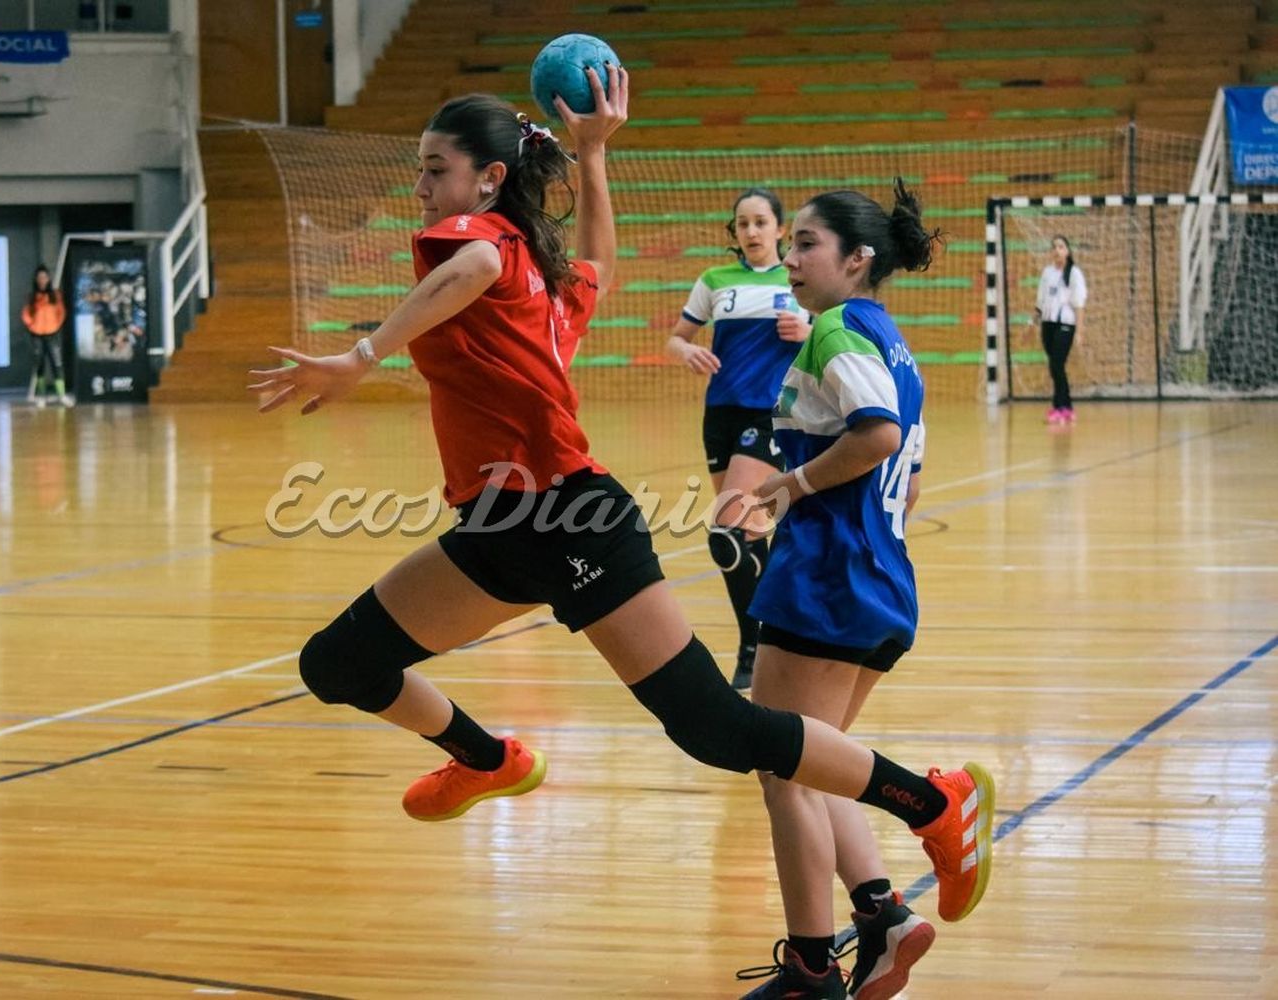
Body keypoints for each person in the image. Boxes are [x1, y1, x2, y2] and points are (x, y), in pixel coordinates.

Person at [246, 74, 993, 988]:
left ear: (486, 182)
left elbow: (471, 266)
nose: (422, 188)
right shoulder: (544, 287)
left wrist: (360, 357)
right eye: (421, 171)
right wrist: (595, 157)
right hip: (495, 529)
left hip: (572, 519)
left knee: (717, 729)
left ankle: (931, 802)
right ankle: (487, 760)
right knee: (338, 665)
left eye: (435, 170)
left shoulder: (481, 247)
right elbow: (593, 258)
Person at [733, 180, 940, 999]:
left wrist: (790, 489)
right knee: (818, 766)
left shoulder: (835, 327)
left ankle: (812, 968)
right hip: (881, 581)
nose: (789, 257)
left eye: (806, 243)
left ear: (857, 260)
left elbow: (878, 436)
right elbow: (910, 476)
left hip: (827, 582)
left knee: (781, 768)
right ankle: (883, 916)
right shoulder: (893, 340)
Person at [666, 188, 809, 690]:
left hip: (773, 412)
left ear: (780, 230)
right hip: (720, 414)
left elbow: (837, 329)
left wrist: (807, 329)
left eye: (761, 222)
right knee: (745, 537)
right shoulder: (715, 281)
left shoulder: (798, 280)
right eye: (743, 224)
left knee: (726, 530)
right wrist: (685, 350)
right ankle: (770, 637)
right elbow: (677, 335)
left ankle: (755, 645)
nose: (751, 232)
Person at [1033, 235, 1086, 425]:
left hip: (1066, 324)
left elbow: (1079, 304)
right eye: (1054, 247)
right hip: (1048, 324)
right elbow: (1040, 301)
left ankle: (1059, 406)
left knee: (1056, 363)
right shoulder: (1047, 273)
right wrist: (1032, 324)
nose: (1057, 250)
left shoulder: (1074, 273)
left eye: (1061, 246)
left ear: (1068, 251)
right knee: (1055, 367)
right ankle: (1067, 407)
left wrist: (1079, 331)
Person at [22, 264, 71, 407]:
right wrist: (32, 325)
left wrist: (55, 325)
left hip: (52, 334)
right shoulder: (32, 297)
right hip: (37, 334)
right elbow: (26, 313)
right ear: (36, 280)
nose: (42, 280)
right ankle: (41, 396)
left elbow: (61, 312)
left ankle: (61, 395)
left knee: (57, 363)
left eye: (44, 277)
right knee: (40, 365)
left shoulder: (55, 295)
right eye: (39, 277)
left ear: (48, 279)